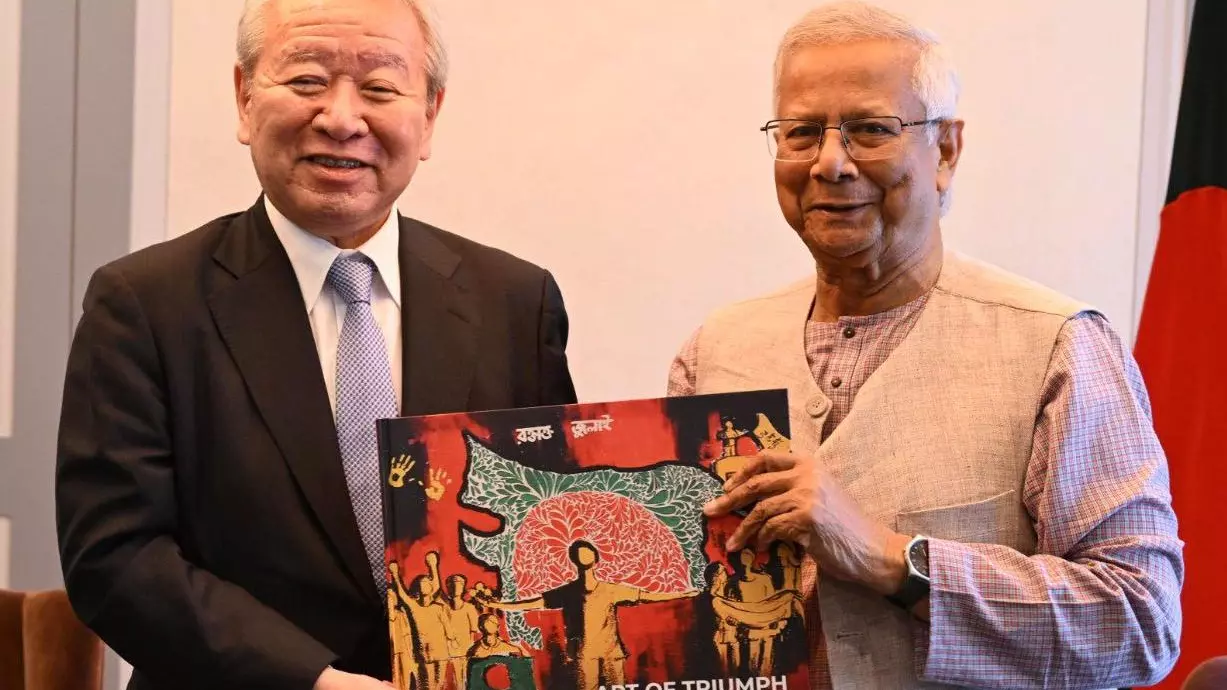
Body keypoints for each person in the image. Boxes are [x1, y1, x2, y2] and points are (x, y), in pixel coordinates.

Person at [53, 0, 576, 688]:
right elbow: (115, 557)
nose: (340, 117)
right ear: (244, 98)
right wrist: (312, 681)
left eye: (380, 88)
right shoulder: (144, 303)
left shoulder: (513, 299)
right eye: (305, 81)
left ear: (429, 116)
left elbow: (547, 515)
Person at [675, 1, 1183, 687]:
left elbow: (1139, 624)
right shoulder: (714, 352)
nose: (830, 162)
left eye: (869, 130)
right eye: (800, 132)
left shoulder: (1054, 347)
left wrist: (892, 560)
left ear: (944, 150)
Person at [482, 541, 699, 690]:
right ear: (574, 560)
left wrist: (684, 593)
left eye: (587, 552)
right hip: (584, 654)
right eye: (578, 553)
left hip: (612, 652)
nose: (583, 555)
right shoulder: (567, 591)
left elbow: (648, 596)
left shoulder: (612, 589)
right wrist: (499, 605)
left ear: (596, 559)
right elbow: (534, 603)